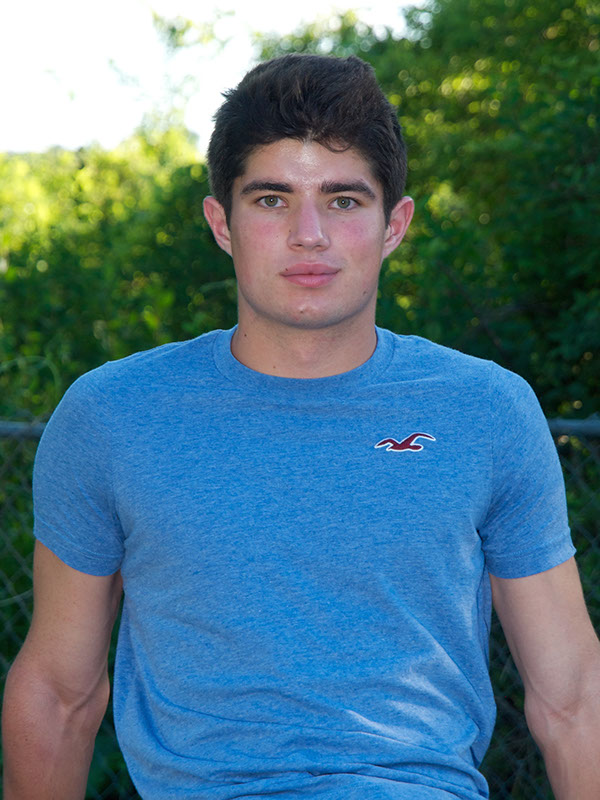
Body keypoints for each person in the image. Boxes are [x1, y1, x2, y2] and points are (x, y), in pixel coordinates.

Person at [2, 53, 600, 800]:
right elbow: (60, 693)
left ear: (394, 225)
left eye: (344, 200)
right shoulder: (112, 416)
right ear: (222, 223)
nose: (309, 234)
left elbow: (573, 696)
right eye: (272, 199)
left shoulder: (487, 411)